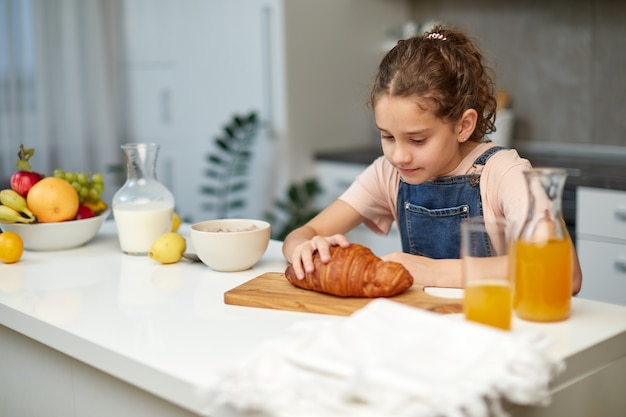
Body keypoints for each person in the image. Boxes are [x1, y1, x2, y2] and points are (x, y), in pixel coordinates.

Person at [282, 25, 582, 294]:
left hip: (494, 333)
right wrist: (306, 247)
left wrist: (434, 271)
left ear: (463, 126)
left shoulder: (504, 173)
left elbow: (563, 272)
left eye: (418, 139)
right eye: (387, 136)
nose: (399, 155)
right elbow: (300, 234)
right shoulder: (388, 173)